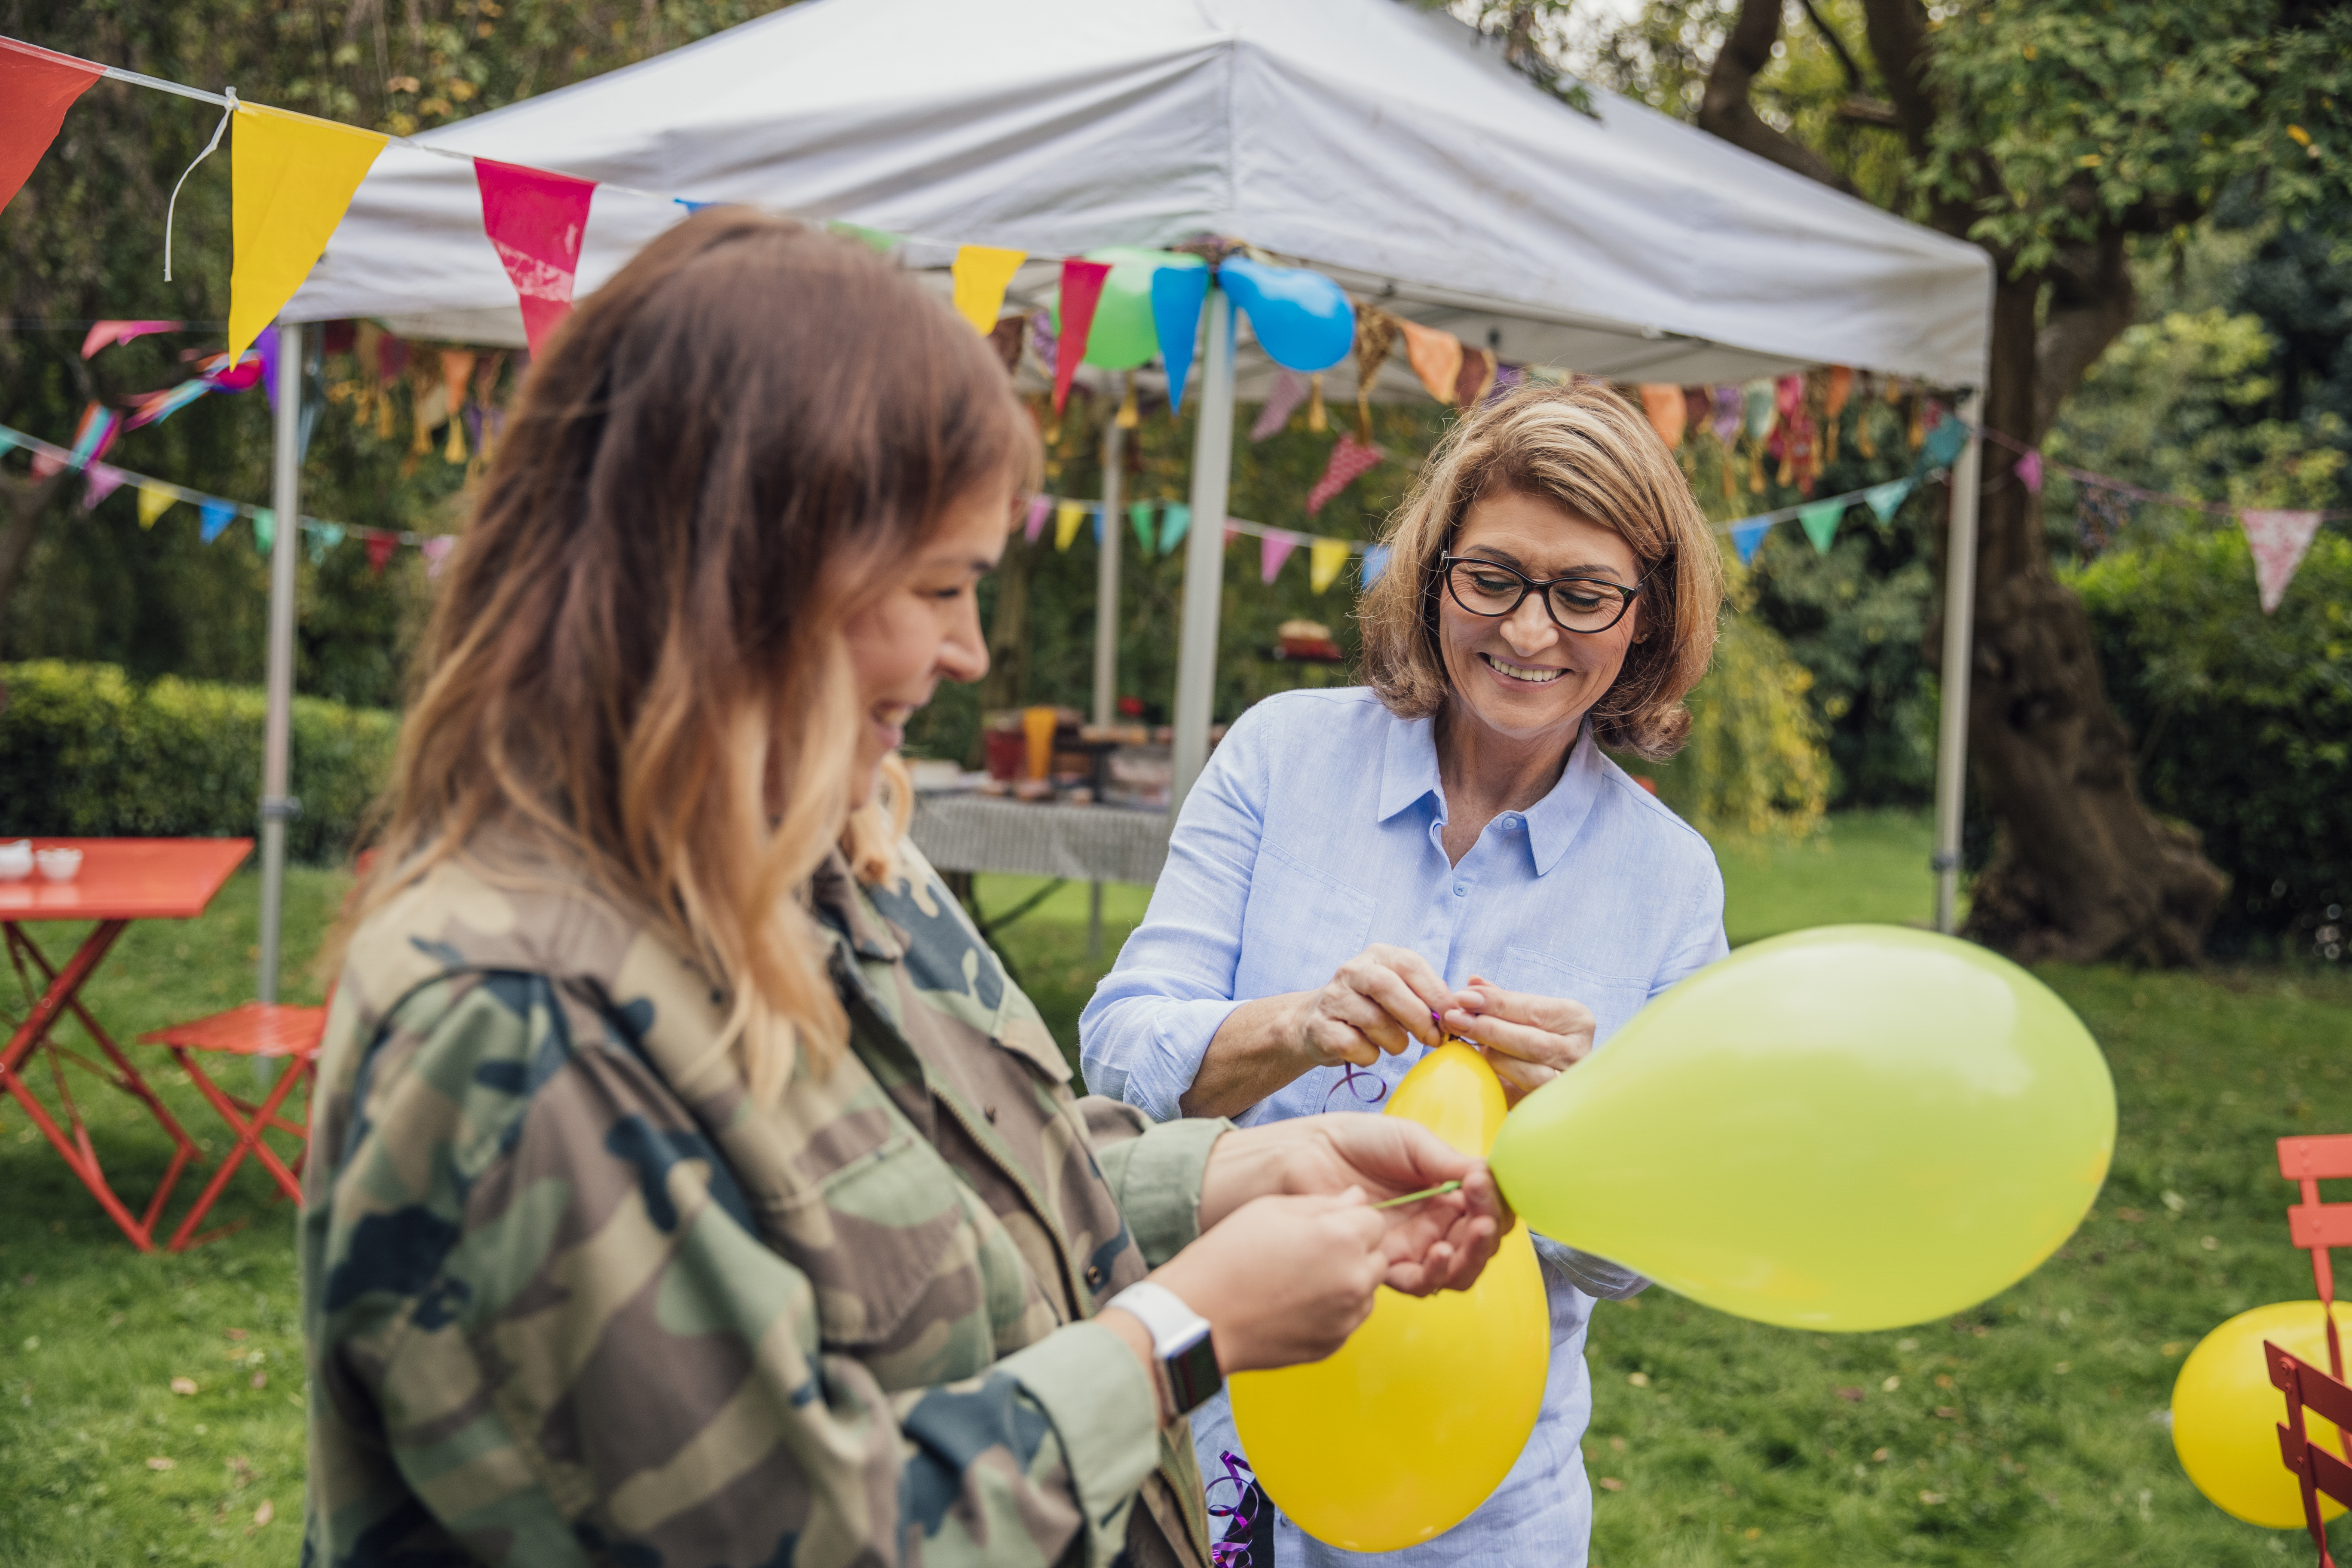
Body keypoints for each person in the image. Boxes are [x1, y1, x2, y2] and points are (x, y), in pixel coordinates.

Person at [297, 210, 1507, 1568]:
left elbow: (959, 1161)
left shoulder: (840, 847)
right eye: (942, 586)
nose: (975, 653)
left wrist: (1233, 1173)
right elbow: (795, 1536)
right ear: (738, 580)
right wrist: (1183, 1335)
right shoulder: (512, 1029)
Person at [1080, 380, 1730, 1566]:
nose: (1530, 633)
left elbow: (1638, 1258)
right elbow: (1117, 1057)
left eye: (1584, 594)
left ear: (1648, 614)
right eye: (1494, 579)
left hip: (1474, 1504)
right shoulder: (1281, 754)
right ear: (1433, 575)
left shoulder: (1671, 883)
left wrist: (1576, 1121)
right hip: (1200, 1431)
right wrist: (1295, 1026)